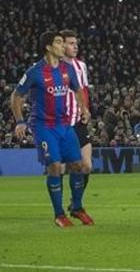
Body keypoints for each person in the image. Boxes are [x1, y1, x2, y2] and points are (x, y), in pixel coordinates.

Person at [10, 30, 92, 227]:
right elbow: (16, 97)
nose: (62, 46)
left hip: (65, 125)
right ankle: (58, 214)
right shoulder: (34, 72)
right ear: (48, 47)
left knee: (78, 166)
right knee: (54, 167)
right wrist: (20, 121)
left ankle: (77, 207)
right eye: (58, 42)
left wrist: (84, 108)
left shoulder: (67, 69)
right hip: (43, 127)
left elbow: (78, 89)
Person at [61, 30, 94, 198]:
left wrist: (86, 110)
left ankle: (76, 203)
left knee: (86, 166)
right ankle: (58, 207)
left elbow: (84, 90)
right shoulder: (53, 66)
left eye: (76, 43)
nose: (75, 46)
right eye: (71, 43)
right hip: (60, 123)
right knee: (58, 168)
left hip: (79, 122)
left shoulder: (81, 66)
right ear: (61, 44)